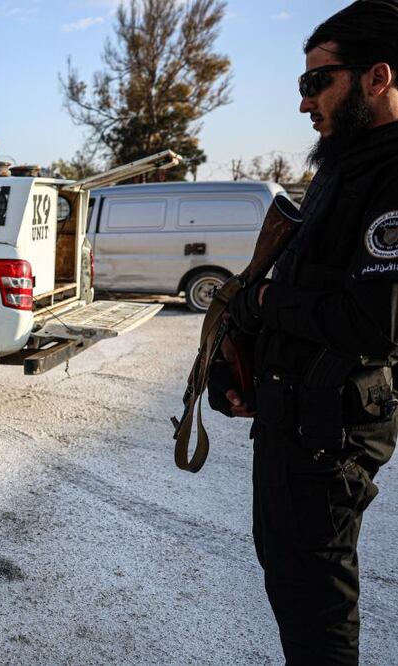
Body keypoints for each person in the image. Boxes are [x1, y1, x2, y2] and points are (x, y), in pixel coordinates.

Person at [209, 2, 398, 662]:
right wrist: (242, 366)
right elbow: (310, 285)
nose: (302, 103)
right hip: (294, 422)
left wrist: (263, 298)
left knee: (316, 611)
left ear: (376, 78)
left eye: (316, 82)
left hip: (328, 438)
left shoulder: (390, 175)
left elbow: (371, 324)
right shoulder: (342, 168)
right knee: (291, 585)